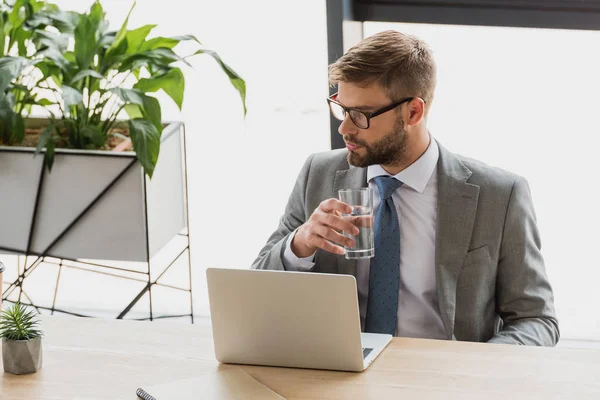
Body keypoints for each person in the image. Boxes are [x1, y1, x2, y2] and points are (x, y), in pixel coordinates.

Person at [252, 30, 559, 346]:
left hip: (442, 381)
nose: (344, 127)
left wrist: (473, 374)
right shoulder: (318, 173)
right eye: (341, 109)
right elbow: (253, 292)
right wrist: (299, 244)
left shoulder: (500, 195)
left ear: (413, 111)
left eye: (360, 115)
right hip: (336, 375)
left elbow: (536, 320)